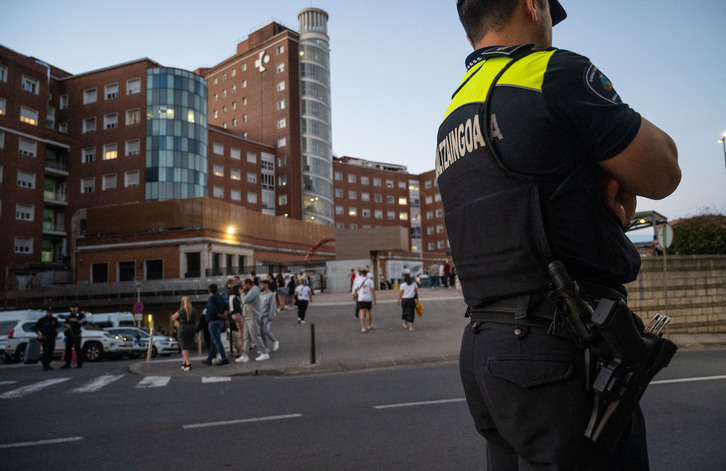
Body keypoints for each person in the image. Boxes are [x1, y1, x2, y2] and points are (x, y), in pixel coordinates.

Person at [440, 1, 680, 469]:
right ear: (533, 5)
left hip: (486, 349)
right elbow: (664, 172)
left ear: (471, 34)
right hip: (561, 349)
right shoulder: (551, 72)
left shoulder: (453, 112)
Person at [237, 278, 270, 362]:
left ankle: (264, 353)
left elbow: (245, 300)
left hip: (253, 316)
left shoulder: (254, 291)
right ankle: (245, 355)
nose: (243, 287)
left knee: (255, 335)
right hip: (248, 316)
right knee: (246, 337)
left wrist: (242, 294)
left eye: (244, 285)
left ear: (248, 284)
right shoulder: (251, 291)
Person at [202, 284, 229, 366]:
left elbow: (212, 308)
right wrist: (223, 315)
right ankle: (210, 358)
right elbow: (226, 306)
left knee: (216, 340)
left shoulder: (211, 298)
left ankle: (224, 357)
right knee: (213, 340)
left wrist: (218, 314)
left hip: (213, 320)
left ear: (209, 291)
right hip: (220, 321)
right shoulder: (221, 298)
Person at [171, 296, 197, 371]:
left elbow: (173, 317)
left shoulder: (182, 310)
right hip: (192, 329)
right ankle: (184, 363)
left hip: (183, 329)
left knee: (183, 347)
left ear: (182, 302)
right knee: (187, 346)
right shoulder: (194, 310)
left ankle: (188, 364)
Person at [33, 307, 59, 371]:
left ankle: (48, 364)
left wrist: (56, 331)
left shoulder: (54, 319)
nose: (50, 313)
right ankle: (45, 365)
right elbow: (35, 328)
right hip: (45, 337)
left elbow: (57, 326)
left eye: (51, 312)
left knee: (51, 351)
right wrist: (39, 335)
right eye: (48, 312)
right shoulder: (42, 320)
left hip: (52, 337)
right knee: (46, 351)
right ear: (46, 312)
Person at [61, 302, 86, 368]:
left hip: (77, 334)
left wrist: (77, 320)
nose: (74, 309)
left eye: (75, 307)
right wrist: (67, 325)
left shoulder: (81, 315)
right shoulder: (68, 316)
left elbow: (84, 322)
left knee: (78, 349)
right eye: (72, 307)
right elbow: (65, 324)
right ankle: (67, 364)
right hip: (69, 334)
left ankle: (79, 363)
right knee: (68, 349)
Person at [259, 279, 280, 352]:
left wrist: (271, 315)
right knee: (261, 332)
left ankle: (275, 341)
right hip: (260, 315)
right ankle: (265, 347)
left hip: (267, 315)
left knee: (266, 330)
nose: (260, 286)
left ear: (266, 285)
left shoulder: (271, 294)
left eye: (261, 285)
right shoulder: (260, 294)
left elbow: (272, 305)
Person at [229, 284, 246, 358]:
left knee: (237, 333)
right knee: (241, 334)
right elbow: (239, 308)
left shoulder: (230, 297)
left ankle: (239, 349)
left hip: (232, 315)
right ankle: (242, 350)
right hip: (238, 315)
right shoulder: (236, 298)